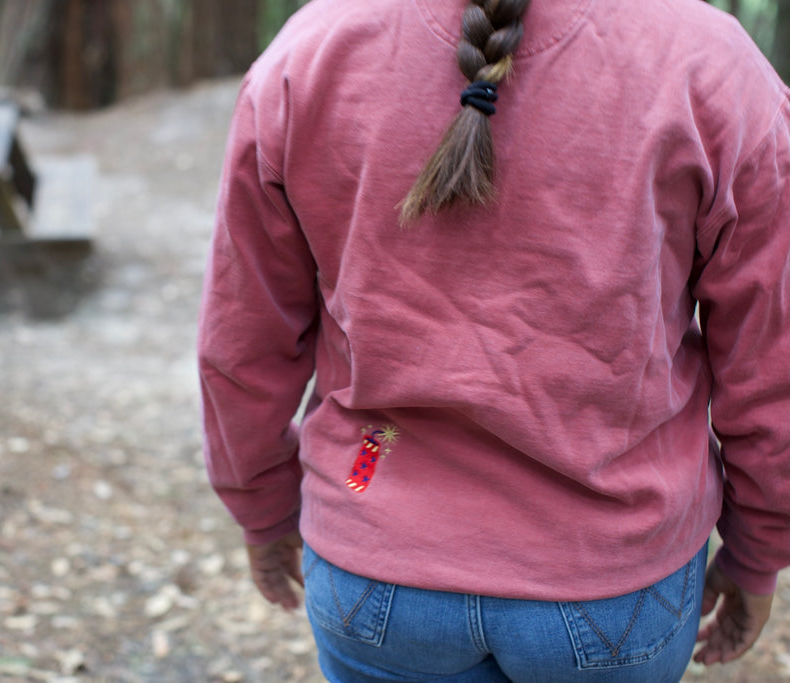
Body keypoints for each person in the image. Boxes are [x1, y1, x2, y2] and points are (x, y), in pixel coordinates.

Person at [197, 0, 789, 680]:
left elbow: (241, 342)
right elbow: (772, 360)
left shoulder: (312, 50)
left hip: (375, 501)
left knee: (374, 448)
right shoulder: (709, 63)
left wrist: (262, 506)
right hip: (615, 564)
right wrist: (759, 546)